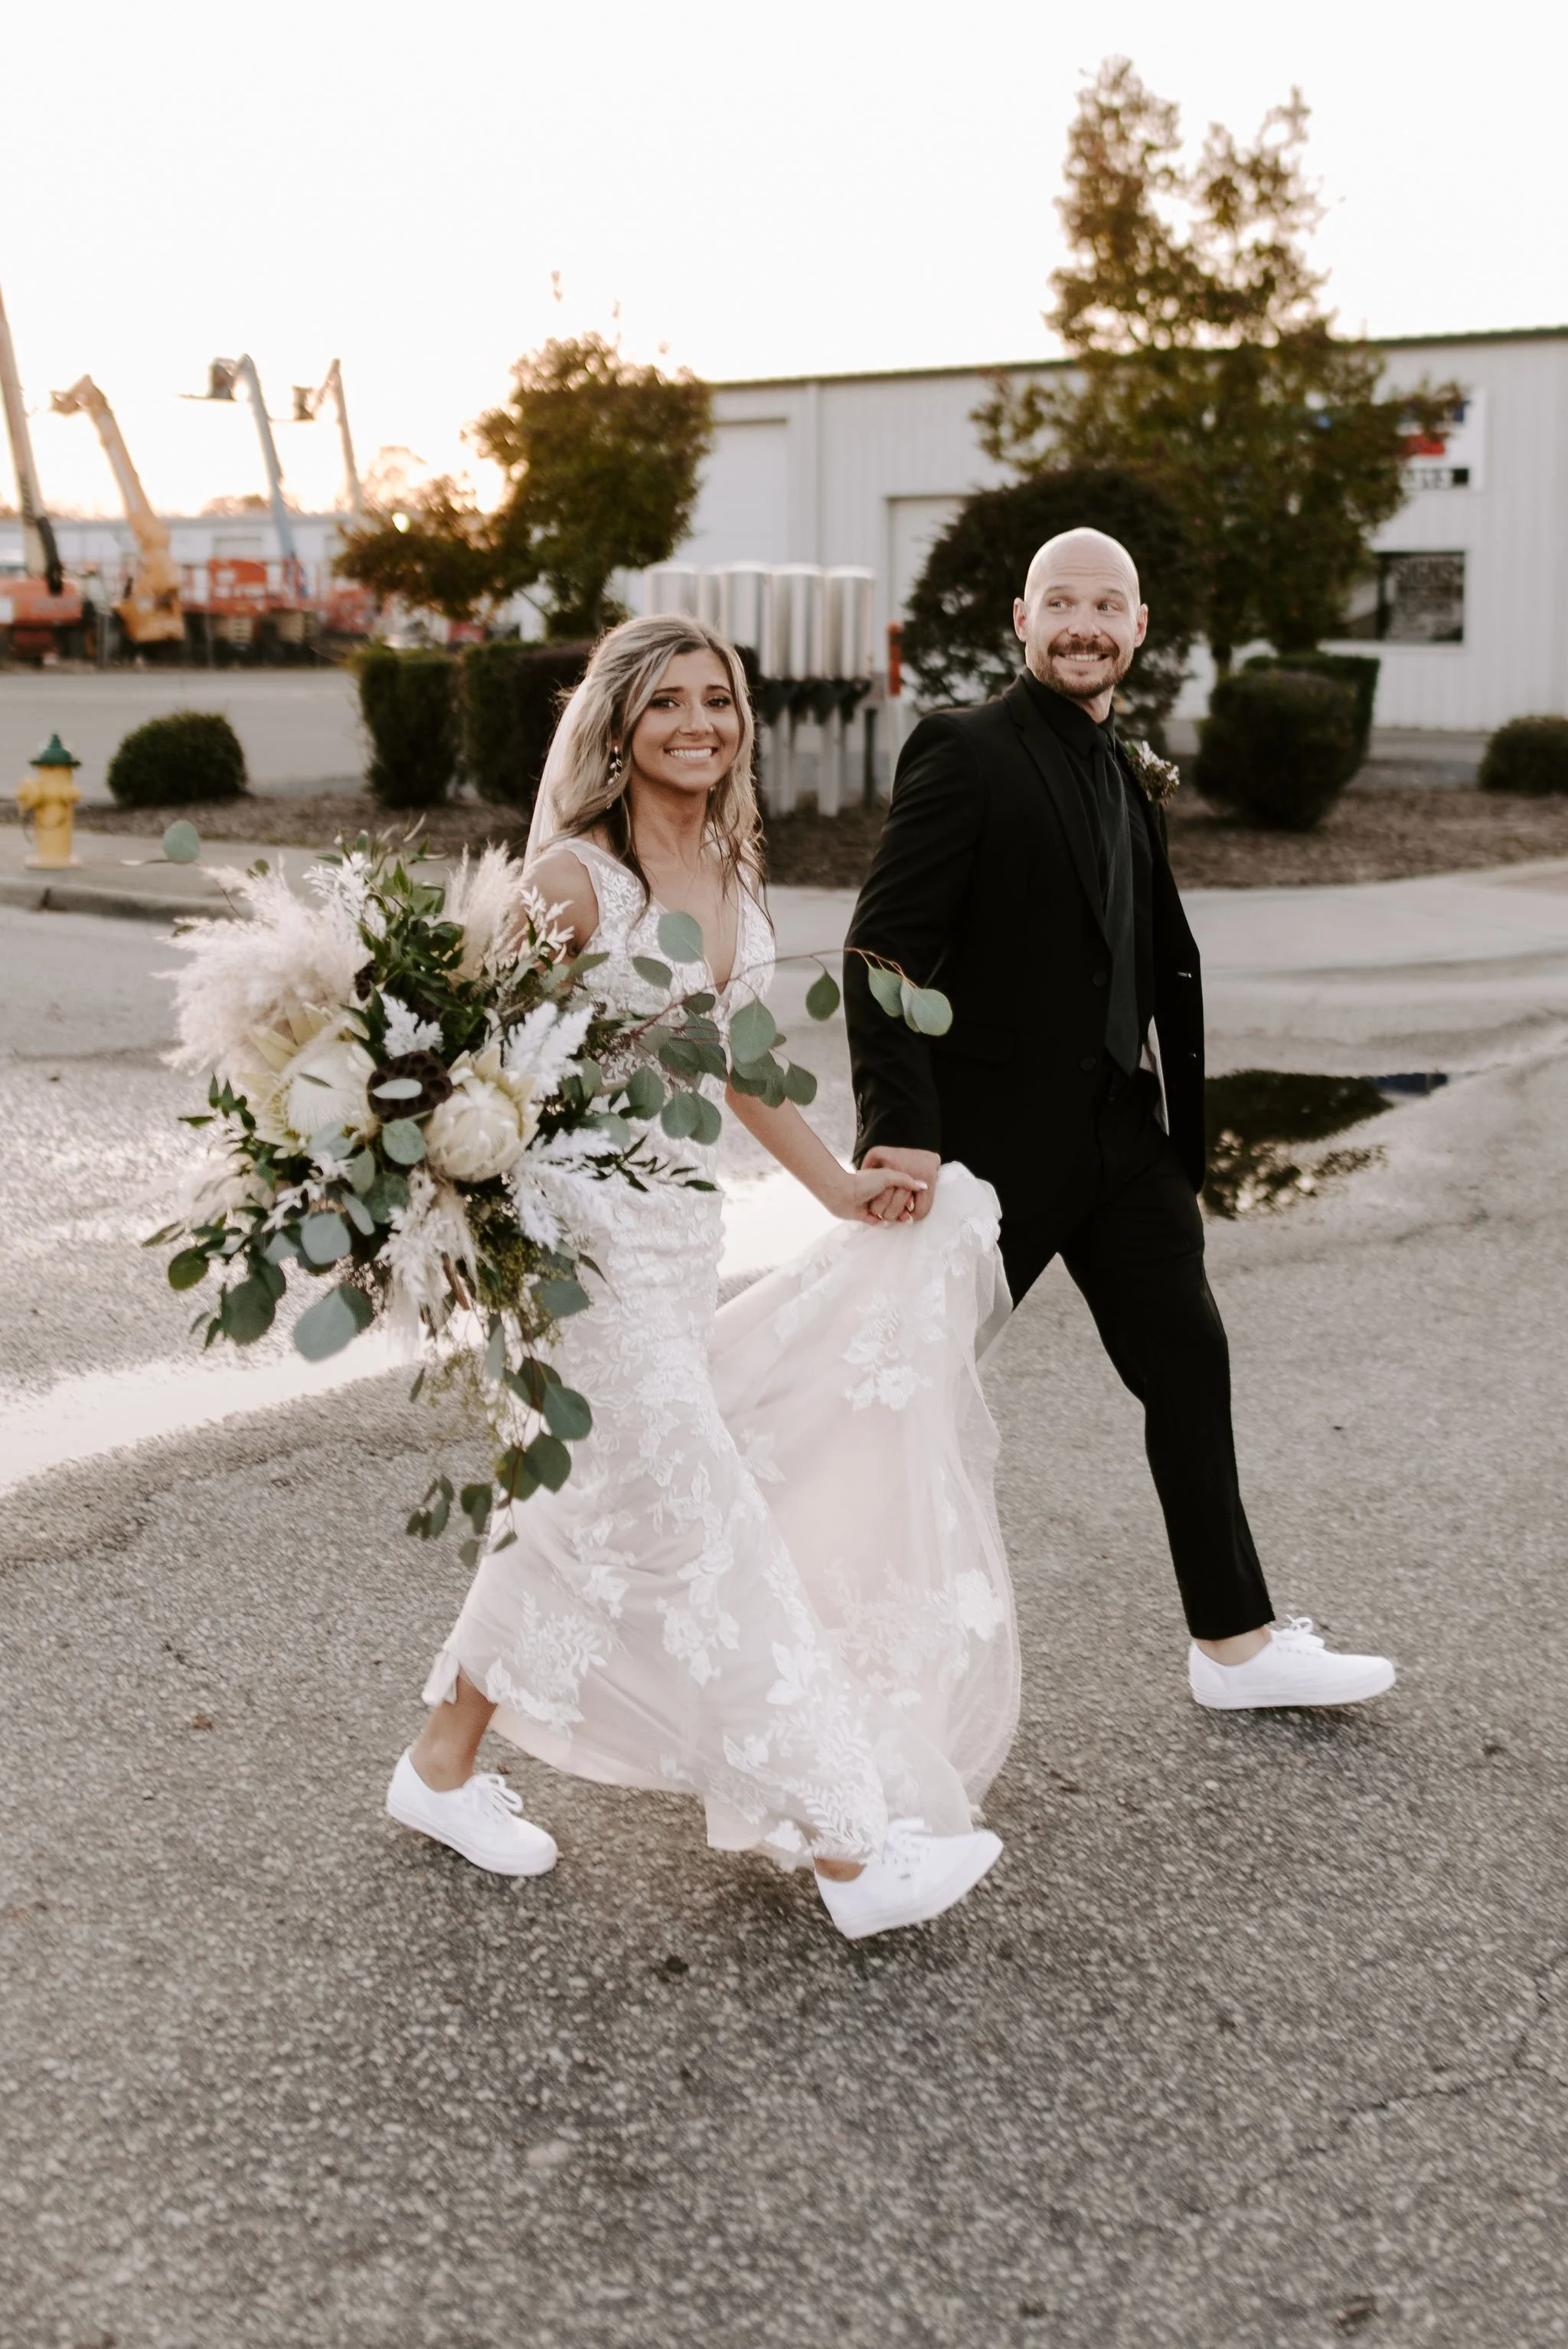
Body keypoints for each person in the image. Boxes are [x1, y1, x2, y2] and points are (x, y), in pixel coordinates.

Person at [387, 613, 1018, 1940]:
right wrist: (477, 1230)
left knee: (575, 1519)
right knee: (706, 1521)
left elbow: (737, 1070)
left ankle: (437, 1772)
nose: (697, 723)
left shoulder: (733, 875)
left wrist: (841, 1187)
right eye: (667, 701)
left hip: (681, 1246)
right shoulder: (573, 885)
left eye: (717, 701)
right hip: (575, 1256)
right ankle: (851, 1851)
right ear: (619, 726)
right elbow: (453, 1067)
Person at [844, 528, 1395, 1711]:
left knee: (1188, 1361)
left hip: (1121, 1135)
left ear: (1138, 629)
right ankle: (824, 1642)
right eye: (1062, 603)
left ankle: (1234, 1646)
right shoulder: (965, 750)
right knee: (903, 1386)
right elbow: (882, 947)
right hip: (987, 1149)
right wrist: (902, 1126)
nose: (1084, 623)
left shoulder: (1126, 765)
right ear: (1022, 619)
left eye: (1107, 605)